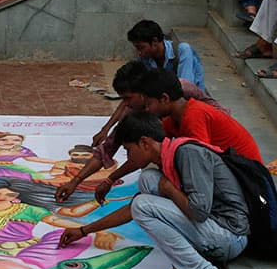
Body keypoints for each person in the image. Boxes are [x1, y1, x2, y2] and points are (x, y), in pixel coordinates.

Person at [59, 112, 249, 269]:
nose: (129, 156)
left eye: (128, 150)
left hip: (229, 236)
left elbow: (198, 212)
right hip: (213, 229)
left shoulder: (188, 154)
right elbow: (132, 209)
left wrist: (168, 189)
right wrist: (83, 231)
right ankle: (194, 263)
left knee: (145, 203)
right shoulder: (169, 156)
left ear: (145, 143)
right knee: (148, 180)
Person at [56, 60, 224, 202]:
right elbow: (107, 149)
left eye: (128, 98)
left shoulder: (184, 99)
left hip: (212, 160)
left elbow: (214, 120)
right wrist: (77, 181)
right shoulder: (139, 113)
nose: (126, 104)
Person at [139, 68, 262, 161]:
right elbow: (149, 150)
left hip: (246, 175)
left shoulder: (194, 116)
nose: (147, 109)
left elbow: (201, 162)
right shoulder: (173, 119)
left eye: (149, 104)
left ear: (164, 99)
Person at [127, 20, 205, 91]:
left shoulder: (183, 51)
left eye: (141, 48)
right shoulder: (144, 59)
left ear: (155, 41)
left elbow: (186, 89)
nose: (139, 52)